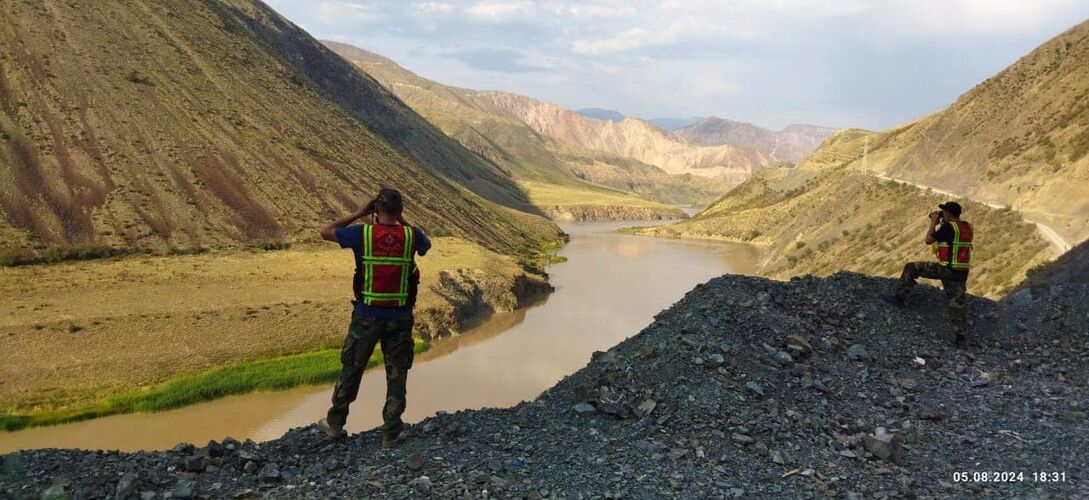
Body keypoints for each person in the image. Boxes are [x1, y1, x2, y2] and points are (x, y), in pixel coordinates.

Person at [315, 188, 430, 448]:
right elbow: (426, 245)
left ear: (375, 211)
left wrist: (358, 213)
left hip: (366, 315)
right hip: (400, 317)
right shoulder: (411, 236)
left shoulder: (362, 233)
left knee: (352, 368)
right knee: (397, 373)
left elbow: (326, 231)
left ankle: (335, 424)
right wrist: (403, 222)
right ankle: (391, 433)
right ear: (399, 211)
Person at [887, 201, 974, 347]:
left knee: (911, 268)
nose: (942, 214)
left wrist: (934, 222)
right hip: (961, 271)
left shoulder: (948, 227)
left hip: (946, 268)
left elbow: (929, 240)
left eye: (944, 212)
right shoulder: (966, 227)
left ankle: (899, 298)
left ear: (948, 214)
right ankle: (961, 338)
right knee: (957, 302)